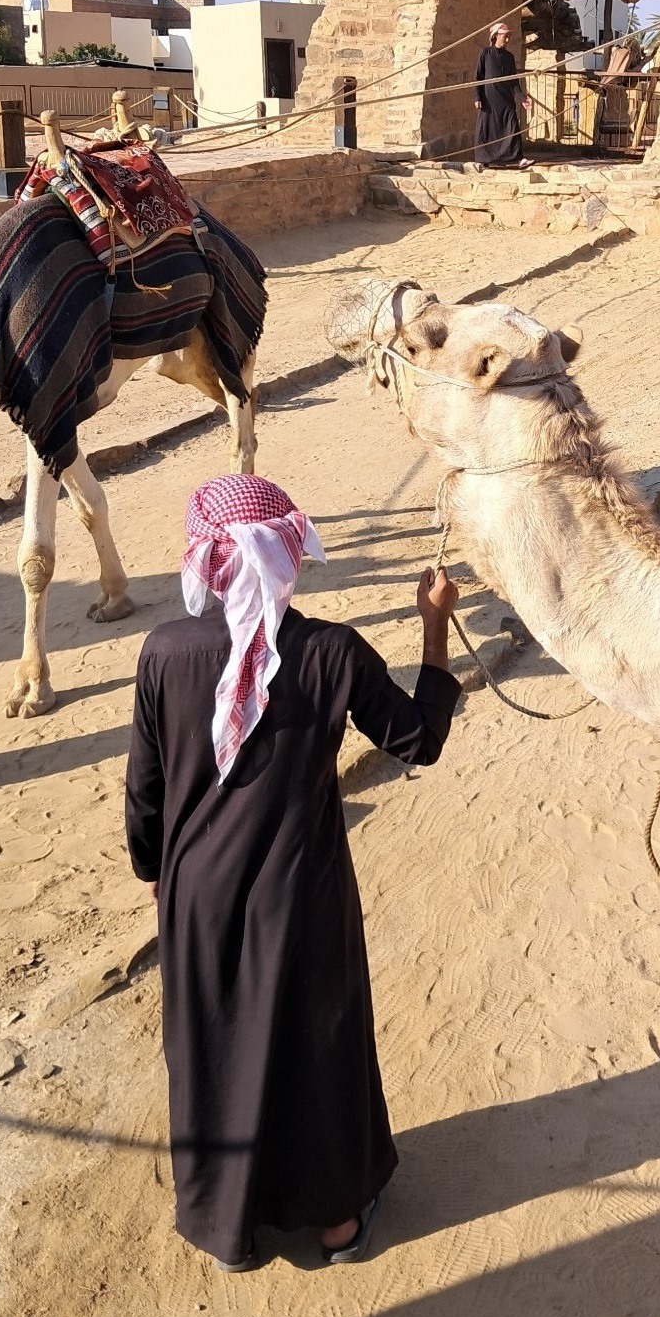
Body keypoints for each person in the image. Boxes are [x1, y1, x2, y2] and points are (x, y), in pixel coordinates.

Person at [125, 474, 461, 1272]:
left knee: (213, 1047)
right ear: (289, 555)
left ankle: (228, 1230)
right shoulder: (331, 652)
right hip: (302, 896)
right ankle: (339, 1224)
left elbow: (144, 790)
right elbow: (418, 739)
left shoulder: (163, 653)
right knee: (318, 1043)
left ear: (205, 563)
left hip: (196, 897)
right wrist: (434, 629)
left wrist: (155, 872)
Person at [473, 19, 532, 170]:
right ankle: (482, 160)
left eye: (508, 36)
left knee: (512, 126)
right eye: (504, 36)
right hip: (488, 99)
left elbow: (514, 82)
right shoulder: (485, 53)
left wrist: (522, 99)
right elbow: (478, 77)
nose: (507, 39)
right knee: (486, 128)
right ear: (495, 36)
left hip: (505, 99)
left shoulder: (509, 57)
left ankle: (519, 159)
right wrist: (477, 97)